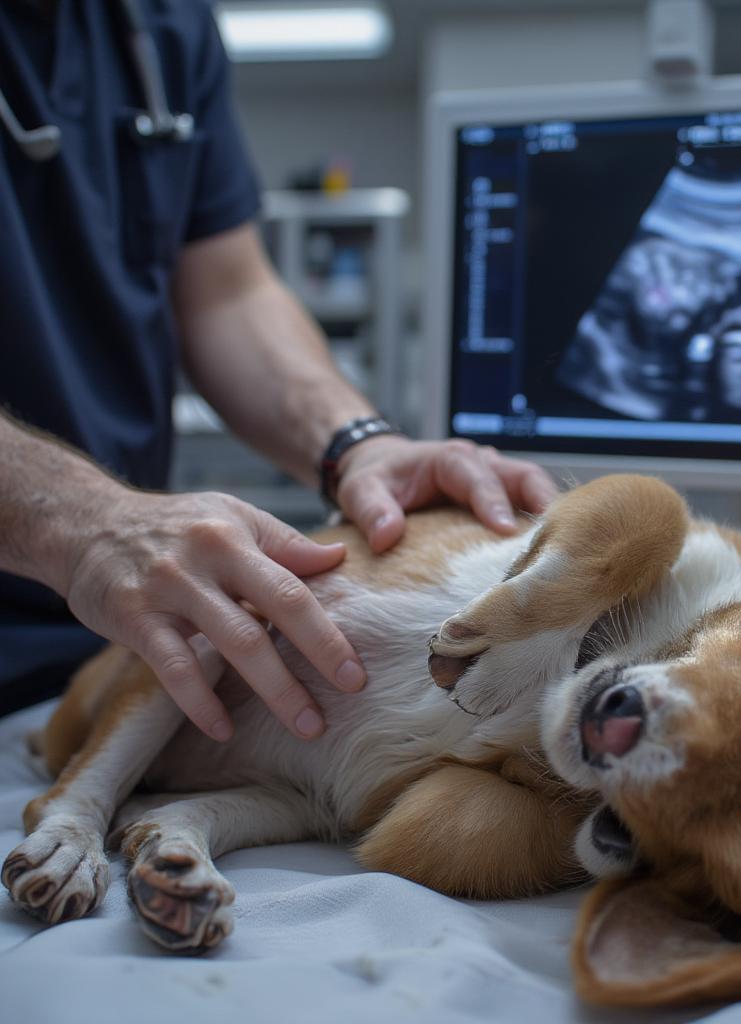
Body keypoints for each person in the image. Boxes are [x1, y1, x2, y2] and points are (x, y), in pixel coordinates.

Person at [0, 0, 557, 739]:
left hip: (108, 649)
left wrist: (361, 444)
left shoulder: (161, 29)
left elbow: (228, 294)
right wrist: (85, 522)